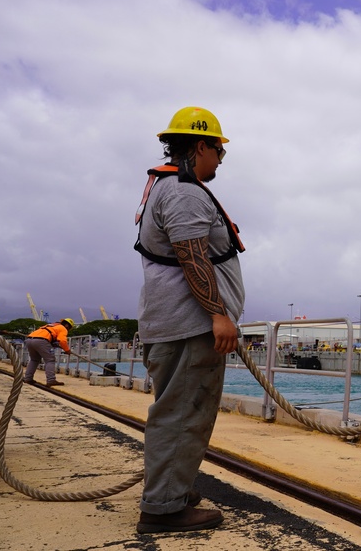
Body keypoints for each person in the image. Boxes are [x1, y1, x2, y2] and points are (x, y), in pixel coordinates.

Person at [133, 106, 245, 534]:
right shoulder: (183, 192)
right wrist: (219, 315)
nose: (219, 160)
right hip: (188, 327)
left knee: (174, 412)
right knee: (184, 416)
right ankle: (162, 509)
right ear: (201, 146)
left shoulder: (164, 185)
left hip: (173, 325)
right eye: (219, 151)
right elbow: (192, 256)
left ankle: (170, 490)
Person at [23, 318, 75, 386]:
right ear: (67, 326)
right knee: (50, 360)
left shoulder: (50, 325)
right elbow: (62, 340)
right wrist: (67, 350)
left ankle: (27, 378)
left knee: (34, 360)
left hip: (29, 340)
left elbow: (49, 336)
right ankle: (51, 380)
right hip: (41, 341)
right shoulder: (63, 328)